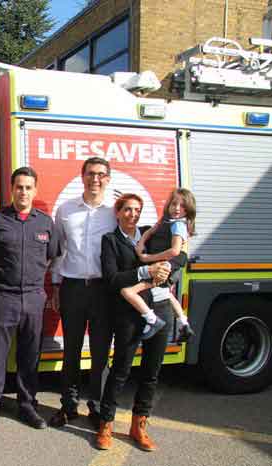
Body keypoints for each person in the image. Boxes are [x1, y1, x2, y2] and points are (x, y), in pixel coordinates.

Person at [95, 193, 186, 452]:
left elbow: (182, 255)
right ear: (118, 212)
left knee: (151, 373)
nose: (132, 214)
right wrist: (147, 270)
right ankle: (106, 425)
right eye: (127, 210)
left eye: (136, 210)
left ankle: (139, 426)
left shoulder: (149, 234)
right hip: (128, 314)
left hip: (161, 310)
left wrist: (167, 265)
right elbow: (112, 278)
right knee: (120, 370)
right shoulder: (110, 241)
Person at [0, 167, 59, 433]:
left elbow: (50, 256)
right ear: (11, 189)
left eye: (28, 187)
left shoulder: (46, 223)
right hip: (4, 296)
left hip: (34, 297)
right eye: (19, 187)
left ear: (35, 191)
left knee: (29, 356)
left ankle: (28, 405)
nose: (23, 192)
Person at [49, 157, 117, 429]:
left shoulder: (115, 212)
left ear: (108, 179)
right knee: (71, 352)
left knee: (101, 353)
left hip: (104, 291)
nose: (95, 179)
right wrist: (55, 286)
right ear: (82, 176)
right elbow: (58, 252)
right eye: (90, 174)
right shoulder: (65, 210)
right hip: (73, 288)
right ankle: (68, 406)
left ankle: (98, 408)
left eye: (101, 174)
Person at [119, 188, 197, 341]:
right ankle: (183, 323)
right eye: (174, 204)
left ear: (188, 210)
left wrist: (148, 258)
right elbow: (151, 231)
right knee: (167, 293)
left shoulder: (178, 225)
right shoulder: (166, 220)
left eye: (182, 206)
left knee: (128, 292)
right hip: (165, 264)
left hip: (164, 265)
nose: (176, 208)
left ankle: (152, 320)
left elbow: (174, 251)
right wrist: (140, 244)